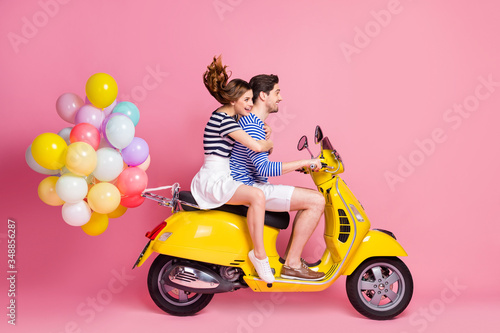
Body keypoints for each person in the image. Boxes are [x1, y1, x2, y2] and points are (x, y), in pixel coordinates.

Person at [230, 74, 326, 281]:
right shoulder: (252, 126)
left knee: (311, 198)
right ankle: (292, 264)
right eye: (277, 92)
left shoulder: (253, 124)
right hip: (250, 188)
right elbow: (264, 169)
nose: (280, 98)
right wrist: (304, 162)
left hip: (251, 185)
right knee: (316, 200)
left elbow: (256, 161)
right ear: (263, 96)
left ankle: (292, 262)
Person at [191, 56, 276, 283]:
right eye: (247, 99)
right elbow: (256, 146)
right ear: (234, 100)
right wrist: (269, 143)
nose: (251, 104)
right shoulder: (224, 121)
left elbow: (249, 123)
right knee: (257, 196)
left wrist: (264, 126)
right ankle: (259, 255)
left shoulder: (227, 115)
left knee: (256, 195)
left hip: (221, 175)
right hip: (214, 177)